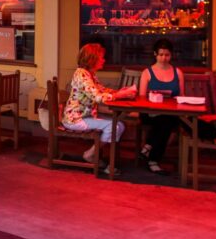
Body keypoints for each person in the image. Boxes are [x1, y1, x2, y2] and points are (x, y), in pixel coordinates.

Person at [62, 43, 136, 172]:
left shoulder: (90, 74)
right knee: (114, 126)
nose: (104, 60)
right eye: (101, 57)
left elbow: (101, 90)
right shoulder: (82, 75)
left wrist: (118, 92)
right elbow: (98, 97)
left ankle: (93, 153)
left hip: (85, 116)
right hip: (76, 119)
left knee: (119, 125)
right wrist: (119, 95)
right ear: (92, 59)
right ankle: (91, 154)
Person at [137, 39, 185, 174]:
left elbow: (181, 96)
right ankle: (153, 159)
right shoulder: (147, 72)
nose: (164, 58)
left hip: (170, 113)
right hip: (149, 112)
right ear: (155, 54)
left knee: (167, 120)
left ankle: (148, 149)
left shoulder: (178, 73)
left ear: (171, 55)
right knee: (166, 122)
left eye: (167, 55)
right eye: (161, 54)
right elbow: (141, 97)